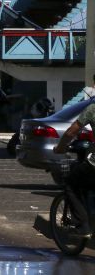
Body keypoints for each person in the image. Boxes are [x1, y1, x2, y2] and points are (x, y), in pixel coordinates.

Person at [53, 98, 95, 237]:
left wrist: (60, 147)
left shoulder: (92, 109)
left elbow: (72, 132)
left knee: (71, 183)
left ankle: (83, 226)